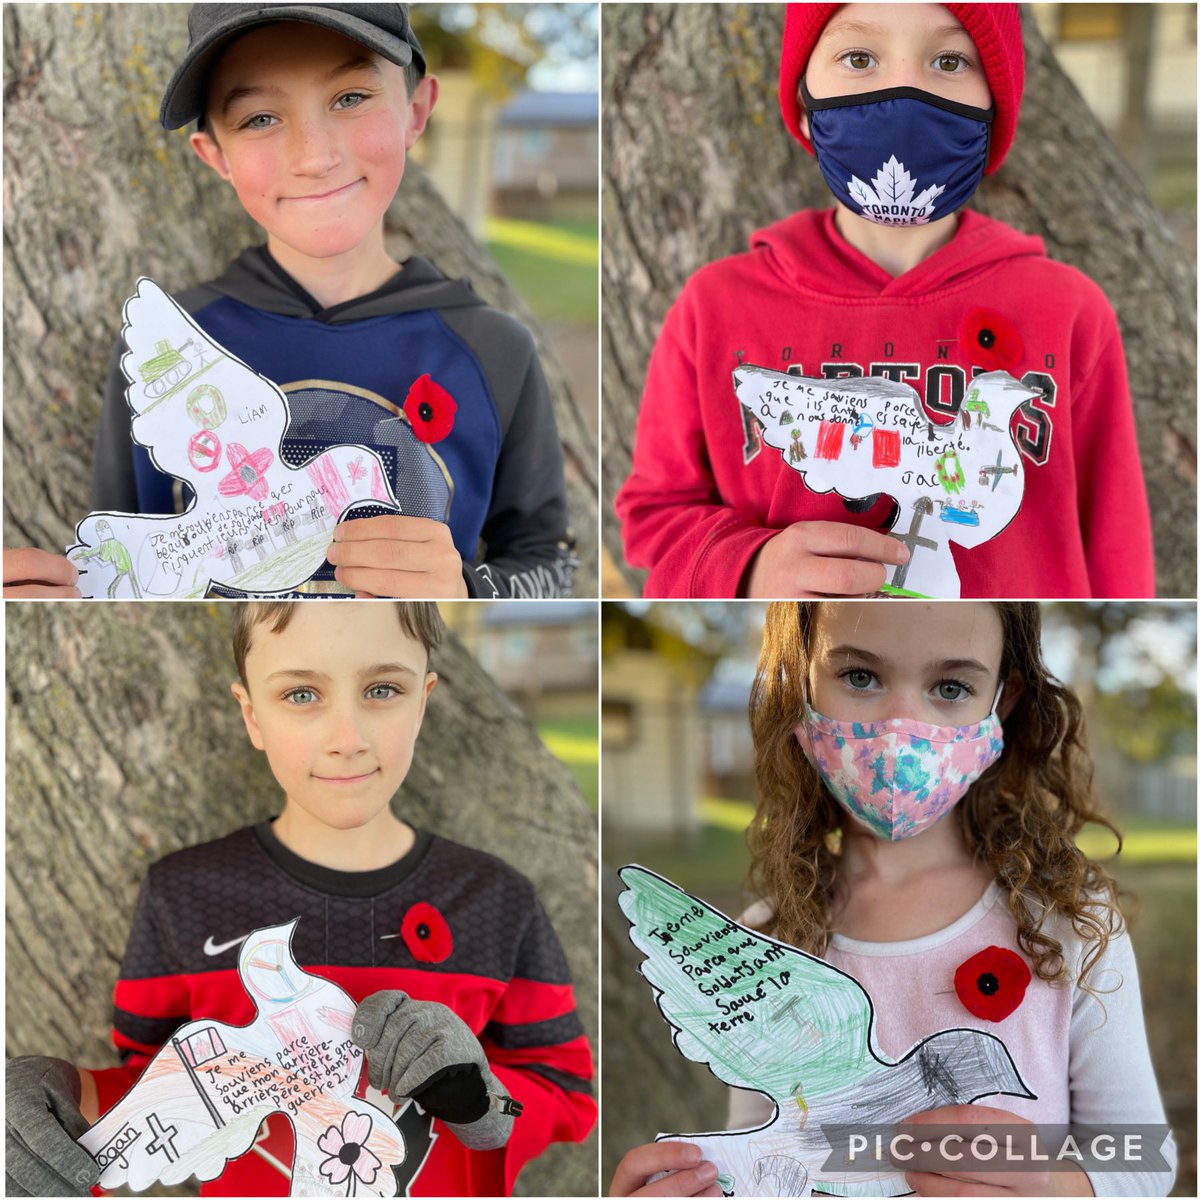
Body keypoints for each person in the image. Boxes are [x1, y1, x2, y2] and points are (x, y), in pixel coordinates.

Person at [6, 602, 596, 1197]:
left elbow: (567, 1094)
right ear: (252, 714)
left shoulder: (498, 899)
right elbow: (153, 1084)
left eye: (383, 689)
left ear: (423, 700)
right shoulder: (182, 893)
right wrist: (56, 1090)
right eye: (300, 695)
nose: (348, 739)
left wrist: (484, 1098)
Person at [610, 601, 1176, 1197]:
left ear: (1001, 703)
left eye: (951, 686)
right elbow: (765, 1159)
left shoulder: (1066, 922)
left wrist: (1053, 1186)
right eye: (860, 676)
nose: (901, 723)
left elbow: (1143, 1159)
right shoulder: (771, 939)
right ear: (799, 680)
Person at [615, 3, 1154, 599]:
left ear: (995, 104)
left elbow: (1117, 549)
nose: (903, 92)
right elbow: (655, 518)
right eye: (859, 58)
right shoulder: (713, 307)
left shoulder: (1070, 310)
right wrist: (748, 569)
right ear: (801, 98)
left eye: (949, 60)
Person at [75, 2, 571, 600]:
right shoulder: (174, 347)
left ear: (415, 114)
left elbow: (548, 563)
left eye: (349, 98)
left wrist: (468, 588)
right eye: (260, 118)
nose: (315, 156)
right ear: (216, 157)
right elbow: (121, 573)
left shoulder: (496, 350)